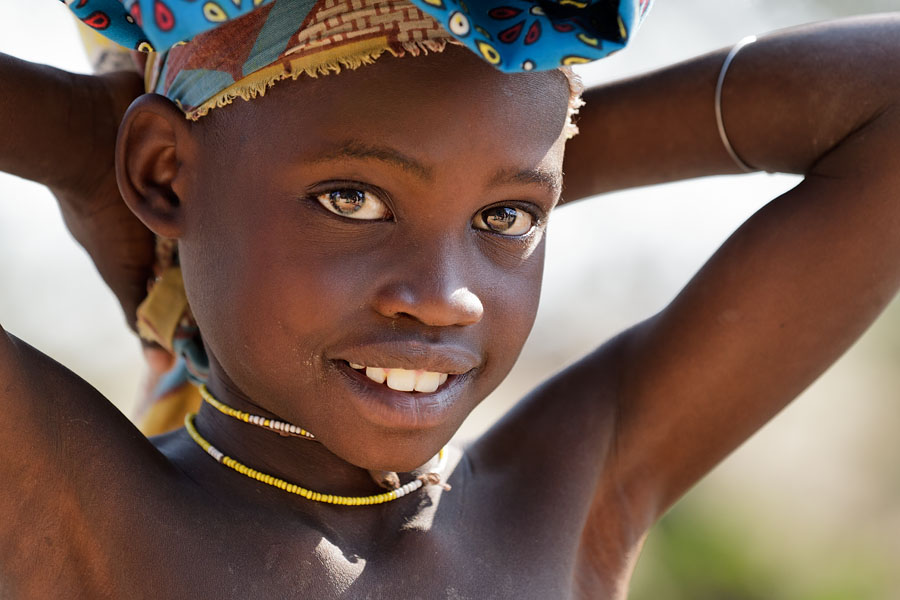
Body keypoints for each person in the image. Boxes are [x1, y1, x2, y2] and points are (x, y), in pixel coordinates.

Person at [1, 0, 898, 596]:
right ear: (163, 174)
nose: (445, 298)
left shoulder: (562, 505)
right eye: (352, 199)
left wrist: (527, 139)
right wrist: (86, 147)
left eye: (506, 220)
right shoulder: (74, 504)